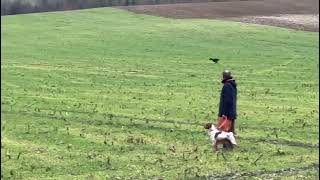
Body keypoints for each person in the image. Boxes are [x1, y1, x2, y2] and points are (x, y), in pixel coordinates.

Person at [218, 70, 237, 134]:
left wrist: (224, 113)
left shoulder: (227, 86)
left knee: (224, 132)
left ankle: (227, 144)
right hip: (231, 112)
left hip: (227, 113)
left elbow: (228, 101)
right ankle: (230, 143)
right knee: (230, 132)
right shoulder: (232, 85)